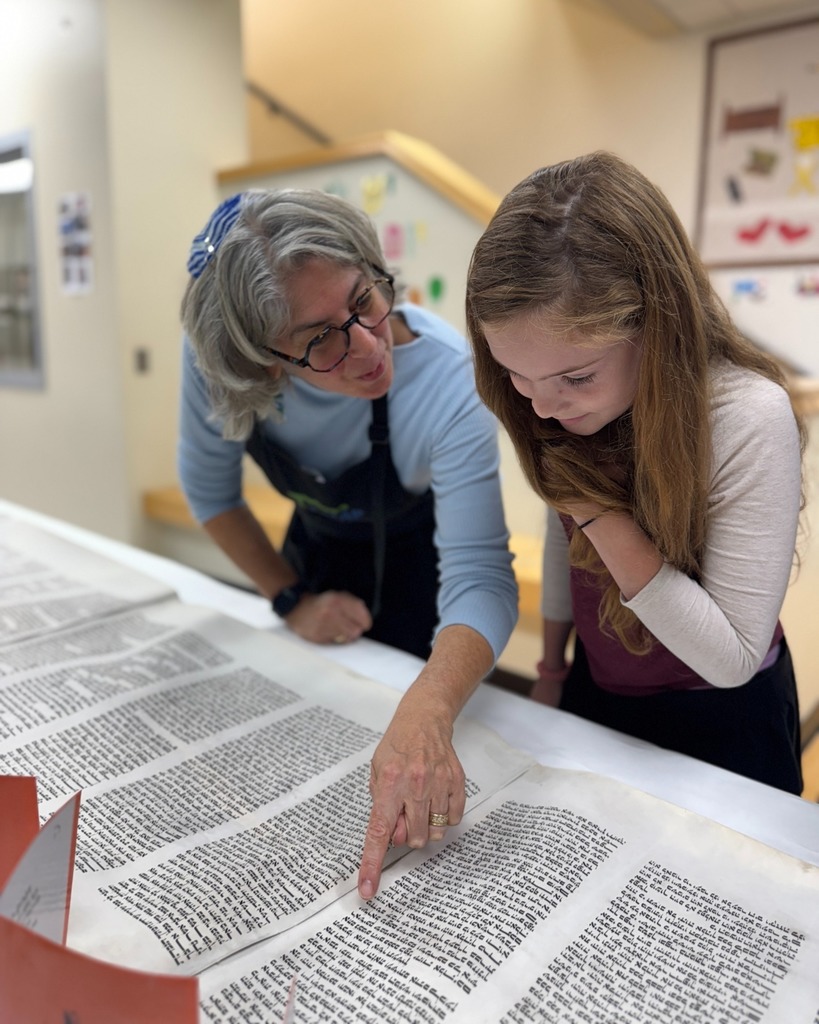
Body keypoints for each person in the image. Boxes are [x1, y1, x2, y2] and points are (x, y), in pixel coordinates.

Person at [179, 187, 518, 897]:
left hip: (421, 574)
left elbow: (480, 576)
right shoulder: (222, 363)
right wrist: (291, 597)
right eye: (319, 340)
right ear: (264, 364)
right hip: (316, 554)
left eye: (364, 301)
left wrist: (428, 707)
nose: (367, 347)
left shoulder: (449, 382)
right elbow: (212, 494)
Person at [465, 150, 805, 795]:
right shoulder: (555, 401)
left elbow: (729, 658)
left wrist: (597, 510)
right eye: (515, 374)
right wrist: (551, 670)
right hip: (600, 686)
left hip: (725, 714)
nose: (541, 407)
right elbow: (567, 547)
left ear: (660, 322)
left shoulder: (747, 416)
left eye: (576, 377)